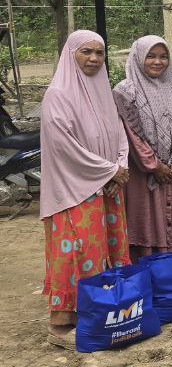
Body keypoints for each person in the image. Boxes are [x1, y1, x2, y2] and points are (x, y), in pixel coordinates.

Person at [40, 30, 131, 348]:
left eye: (99, 53)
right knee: (77, 251)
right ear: (70, 54)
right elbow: (64, 146)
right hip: (74, 190)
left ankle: (95, 313)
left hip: (106, 188)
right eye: (85, 52)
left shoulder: (102, 91)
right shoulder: (58, 96)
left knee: (103, 250)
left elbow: (119, 132)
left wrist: (120, 164)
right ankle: (61, 323)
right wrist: (109, 170)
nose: (93, 59)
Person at [112, 34, 172, 260]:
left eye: (163, 56)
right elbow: (130, 134)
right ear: (138, 58)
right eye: (151, 56)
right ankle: (147, 272)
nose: (158, 62)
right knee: (146, 222)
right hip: (142, 172)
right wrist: (153, 165)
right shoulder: (125, 91)